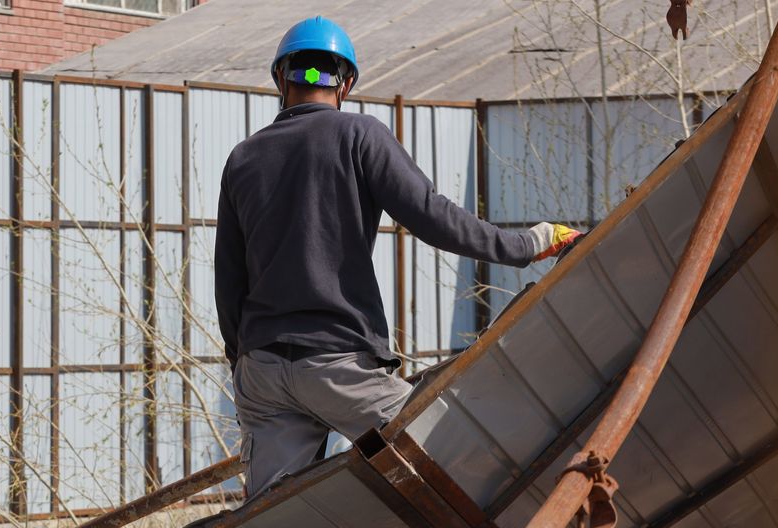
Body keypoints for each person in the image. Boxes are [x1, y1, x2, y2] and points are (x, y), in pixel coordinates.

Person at [215, 16, 583, 496]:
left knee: (273, 517)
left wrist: (243, 362)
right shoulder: (359, 136)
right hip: (338, 364)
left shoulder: (243, 157)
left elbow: (229, 278)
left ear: (280, 79)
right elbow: (433, 216)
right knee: (448, 457)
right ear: (346, 83)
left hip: (261, 371)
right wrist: (527, 244)